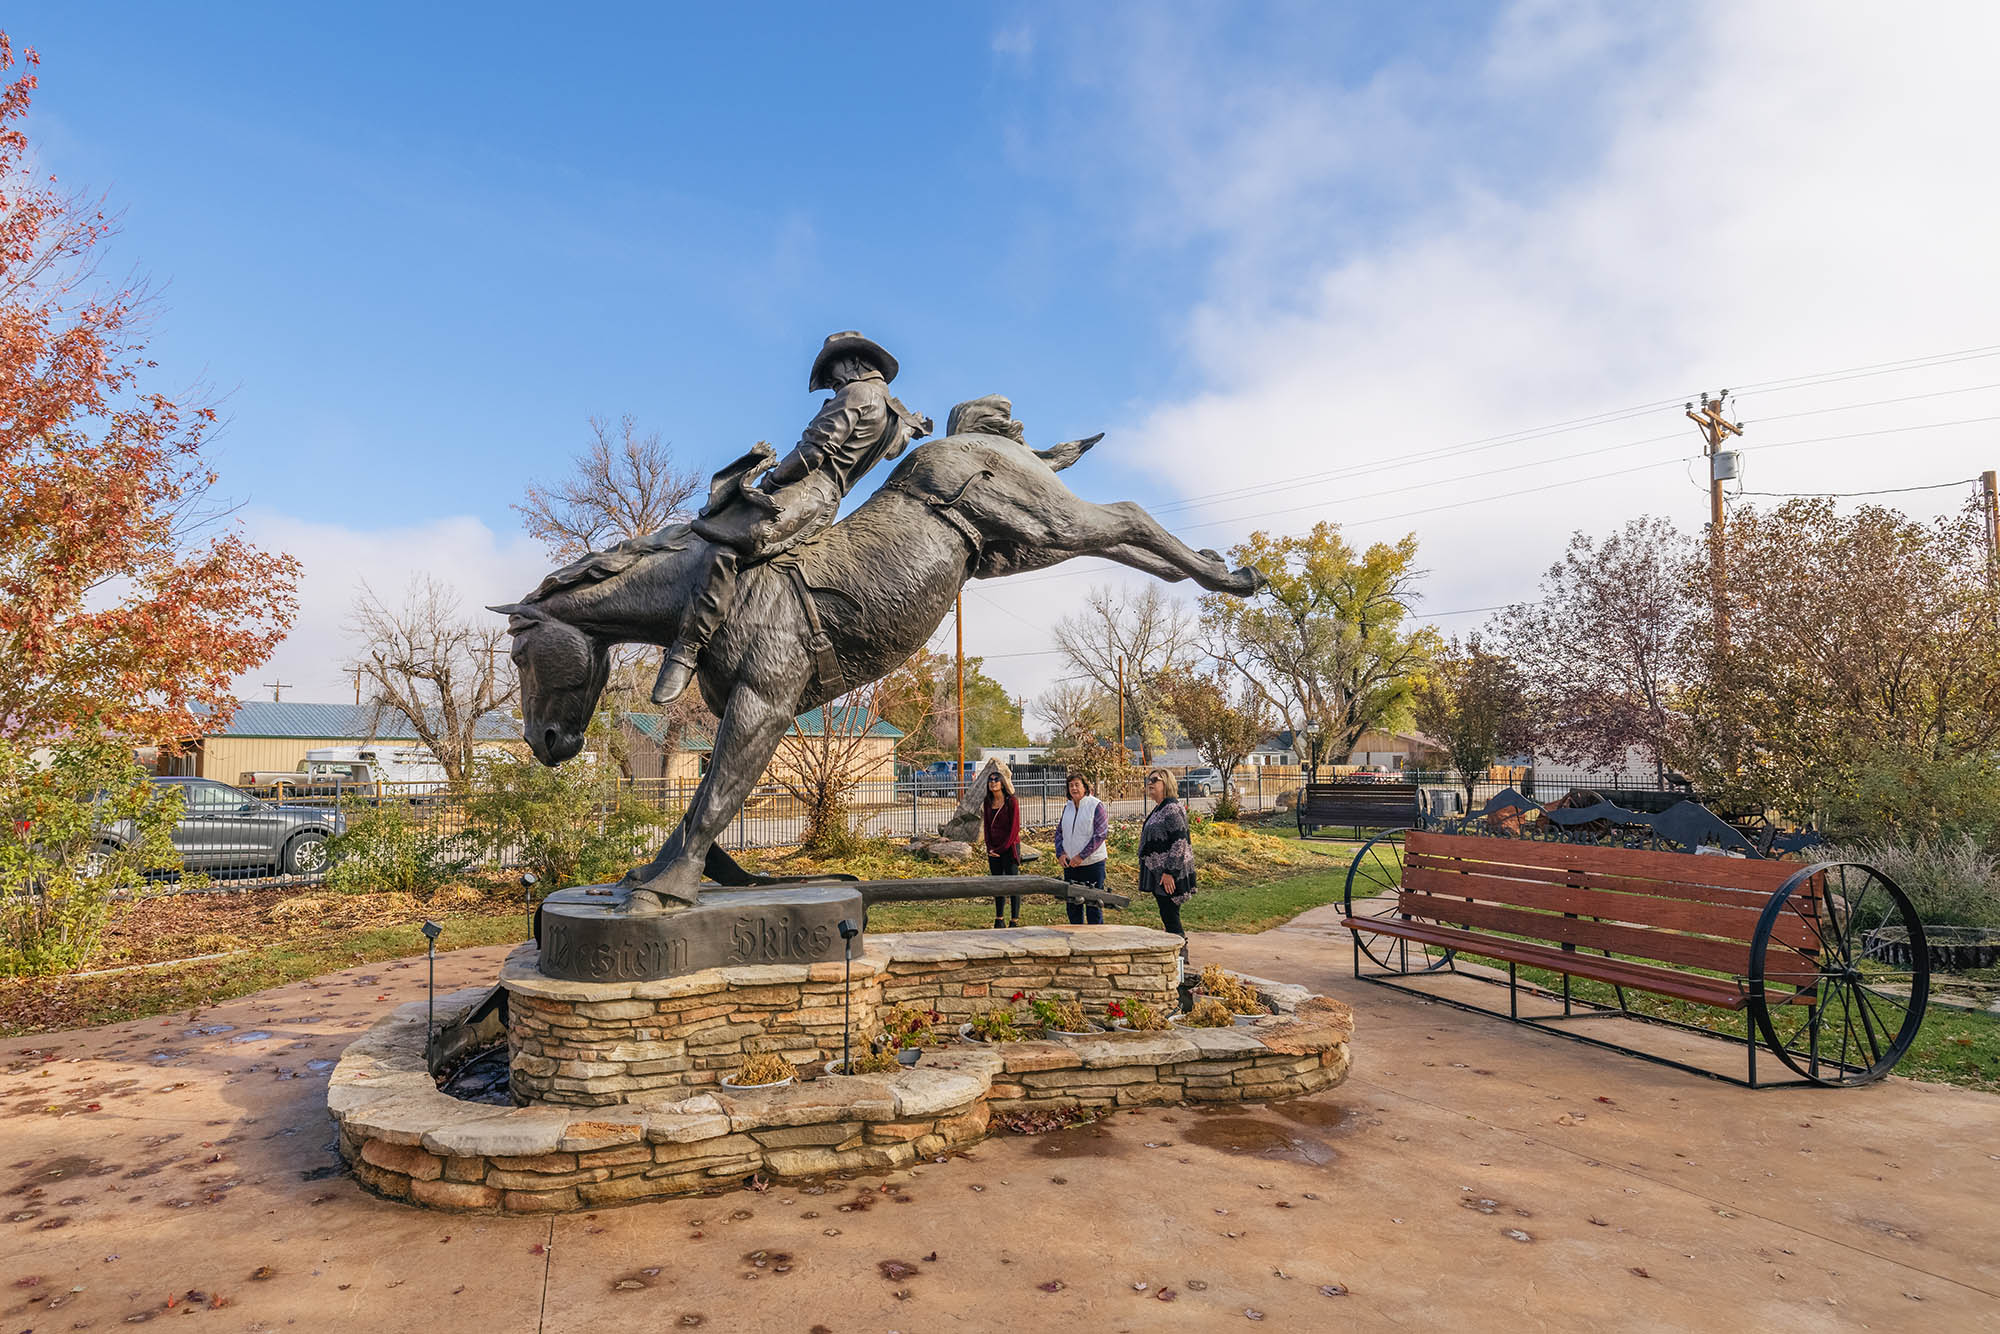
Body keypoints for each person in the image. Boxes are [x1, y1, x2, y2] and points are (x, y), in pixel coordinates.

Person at [651, 331, 933, 705]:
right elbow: (892, 447)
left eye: (833, 375)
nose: (833, 384)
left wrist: (768, 481)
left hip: (808, 492)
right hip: (828, 500)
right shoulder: (894, 412)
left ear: (853, 362)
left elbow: (812, 452)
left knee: (725, 545)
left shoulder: (856, 394)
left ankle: (686, 648)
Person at [1138, 767, 1195, 940]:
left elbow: (1179, 843)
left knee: (1170, 917)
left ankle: (1180, 957)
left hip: (1168, 875)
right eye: (1149, 780)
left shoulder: (1171, 808)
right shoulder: (1160, 808)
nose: (1150, 783)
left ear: (1166, 783)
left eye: (1155, 780)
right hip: (1159, 874)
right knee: (1167, 914)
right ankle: (1175, 952)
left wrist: (1170, 873)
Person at [1054, 773, 1109, 925]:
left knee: (1093, 905)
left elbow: (1100, 834)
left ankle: (1095, 941)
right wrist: (1061, 853)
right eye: (1071, 785)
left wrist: (1081, 856)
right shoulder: (1068, 807)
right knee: (1073, 905)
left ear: (1085, 787)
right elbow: (1059, 832)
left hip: (1092, 864)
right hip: (1071, 865)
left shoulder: (1096, 805)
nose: (1073, 788)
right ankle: (1076, 938)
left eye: (1077, 784)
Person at [981, 768, 1022, 928]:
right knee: (997, 883)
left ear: (1002, 783)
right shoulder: (988, 801)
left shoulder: (1011, 801)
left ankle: (1014, 919)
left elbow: (1014, 828)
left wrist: (1001, 849)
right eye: (990, 780)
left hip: (1009, 847)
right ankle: (999, 918)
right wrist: (990, 848)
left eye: (996, 780)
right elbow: (986, 827)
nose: (993, 783)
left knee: (1012, 883)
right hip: (994, 849)